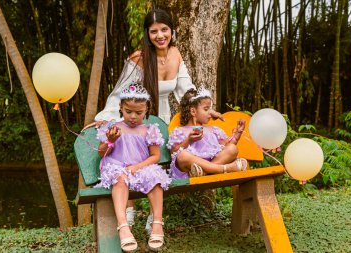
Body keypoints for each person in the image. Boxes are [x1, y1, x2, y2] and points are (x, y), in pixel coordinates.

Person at [92, 8, 223, 233]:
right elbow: (122, 93)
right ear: (147, 34)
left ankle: (154, 217)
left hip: (161, 118)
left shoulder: (176, 54)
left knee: (158, 163)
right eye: (154, 31)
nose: (160, 35)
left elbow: (186, 89)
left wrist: (204, 109)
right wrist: (106, 117)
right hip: (137, 117)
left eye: (164, 29)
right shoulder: (138, 58)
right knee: (128, 159)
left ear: (171, 31)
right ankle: (128, 213)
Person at [95, 83, 171, 252]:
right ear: (121, 108)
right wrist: (110, 141)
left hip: (140, 168)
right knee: (120, 178)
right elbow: (102, 153)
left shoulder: (149, 129)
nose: (133, 116)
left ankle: (157, 223)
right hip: (117, 167)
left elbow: (155, 156)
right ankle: (123, 227)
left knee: (155, 177)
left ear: (146, 110)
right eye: (128, 111)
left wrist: (137, 166)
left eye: (139, 112)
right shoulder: (113, 128)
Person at [167, 87, 248, 179]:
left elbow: (227, 147)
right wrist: (188, 140)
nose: (210, 113)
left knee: (233, 148)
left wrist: (238, 134)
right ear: (193, 111)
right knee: (182, 156)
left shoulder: (213, 130)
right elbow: (174, 152)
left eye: (210, 109)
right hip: (191, 167)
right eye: (206, 109)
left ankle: (205, 172)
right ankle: (225, 168)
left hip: (201, 169)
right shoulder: (181, 131)